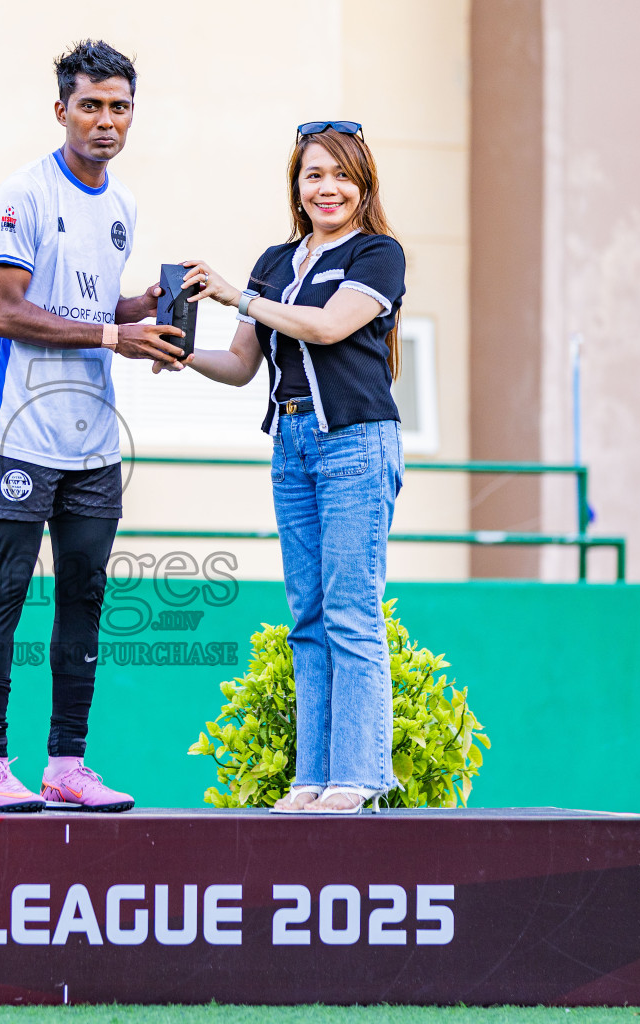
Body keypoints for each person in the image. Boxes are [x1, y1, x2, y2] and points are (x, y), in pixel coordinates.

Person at [0, 40, 187, 814]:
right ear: (60, 110)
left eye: (119, 107)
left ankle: (67, 765)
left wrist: (145, 308)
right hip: (21, 434)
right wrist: (110, 335)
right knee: (6, 595)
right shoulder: (20, 196)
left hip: (93, 442)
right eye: (89, 106)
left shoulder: (121, 206)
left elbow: (92, 309)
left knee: (85, 598)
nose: (105, 121)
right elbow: (8, 311)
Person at [171, 121, 406, 814]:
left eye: (340, 174)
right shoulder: (275, 260)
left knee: (351, 612)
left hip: (356, 441)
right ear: (296, 187)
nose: (327, 187)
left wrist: (234, 296)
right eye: (313, 175)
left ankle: (359, 778)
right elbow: (243, 364)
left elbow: (329, 326)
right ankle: (313, 778)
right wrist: (174, 353)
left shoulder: (378, 253)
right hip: (292, 443)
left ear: (363, 183)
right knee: (307, 616)